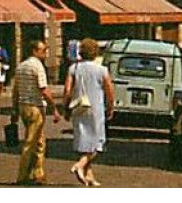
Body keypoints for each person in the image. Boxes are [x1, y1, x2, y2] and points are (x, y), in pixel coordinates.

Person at [63, 38, 114, 188]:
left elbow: (67, 90)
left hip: (79, 108)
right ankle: (80, 165)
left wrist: (65, 107)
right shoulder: (101, 70)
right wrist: (110, 107)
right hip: (96, 109)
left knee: (83, 141)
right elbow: (109, 91)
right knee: (97, 143)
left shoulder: (74, 68)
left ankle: (89, 175)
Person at [10, 39, 60, 186]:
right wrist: (54, 108)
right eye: (43, 51)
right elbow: (43, 89)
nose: (45, 54)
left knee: (39, 141)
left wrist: (14, 109)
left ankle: (37, 173)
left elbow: (16, 90)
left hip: (23, 106)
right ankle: (22, 175)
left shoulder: (21, 67)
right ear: (34, 51)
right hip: (35, 107)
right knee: (31, 142)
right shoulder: (37, 67)